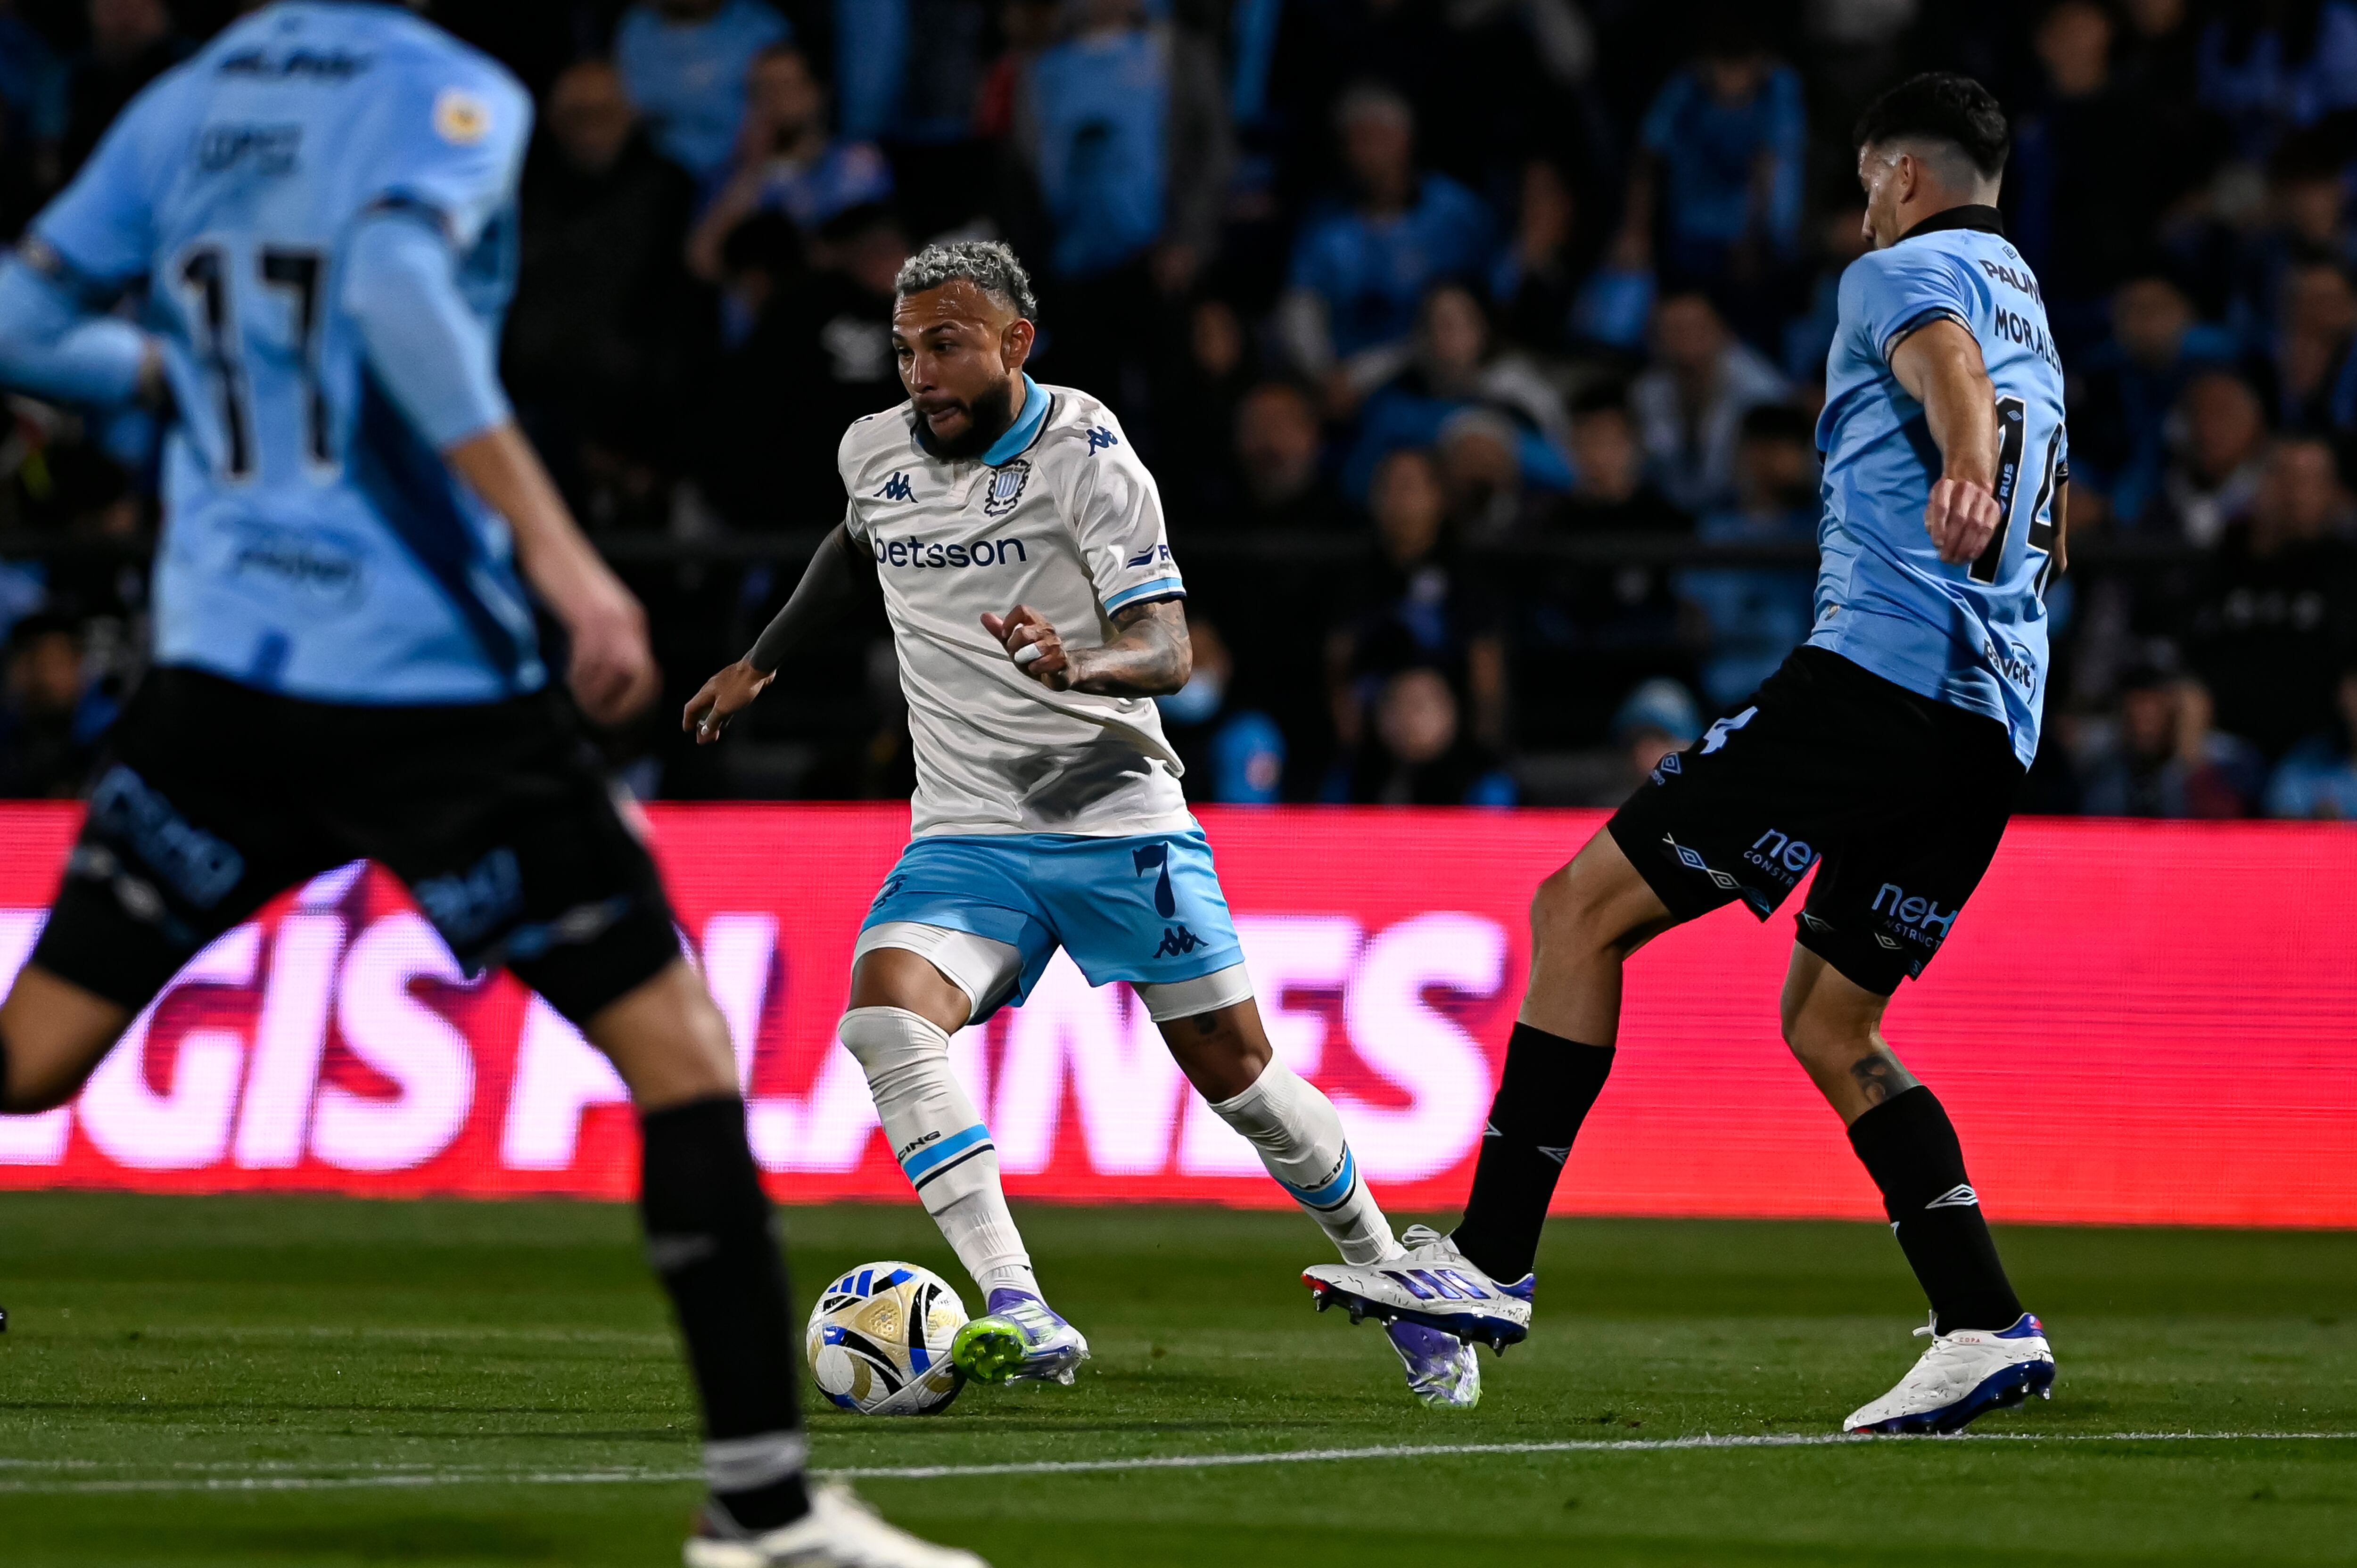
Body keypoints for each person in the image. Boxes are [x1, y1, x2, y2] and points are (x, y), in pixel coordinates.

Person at [0, 8, 971, 1566]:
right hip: (422, 687)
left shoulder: (187, 103)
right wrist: (563, 555)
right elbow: (389, 286)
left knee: (34, 1054)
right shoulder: (440, 90)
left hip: (225, 679)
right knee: (678, 1048)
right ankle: (762, 1514)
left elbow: (19, 320)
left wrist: (187, 375)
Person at [1303, 74, 2067, 1438]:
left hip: (1873, 688)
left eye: (1863, 182)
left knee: (1577, 909)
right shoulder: (2038, 319)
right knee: (1834, 1022)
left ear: (1895, 174)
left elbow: (1944, 360)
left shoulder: (1904, 271)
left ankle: (1488, 1257)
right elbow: (1994, 395)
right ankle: (1981, 1321)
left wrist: (1960, 463)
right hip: (1989, 726)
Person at [680, 241, 1476, 1410]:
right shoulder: (876, 451)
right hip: (964, 828)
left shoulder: (1087, 454)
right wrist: (762, 661)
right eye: (905, 351)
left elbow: (1170, 648)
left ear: (1016, 343)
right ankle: (1016, 1299)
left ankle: (1393, 1271)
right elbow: (855, 546)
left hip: (1112, 814)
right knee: (884, 1020)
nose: (921, 375)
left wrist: (1080, 661)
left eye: (946, 346)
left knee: (1239, 1075)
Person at [684, 43, 893, 282]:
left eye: (785, 86)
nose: (773, 99)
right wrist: (752, 171)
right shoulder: (730, 177)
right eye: (760, 90)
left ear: (817, 92)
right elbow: (703, 262)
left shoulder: (858, 164)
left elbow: (880, 255)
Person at [613, 0, 791, 186]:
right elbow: (630, 109)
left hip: (747, 168)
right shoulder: (638, 27)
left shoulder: (759, 25)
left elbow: (787, 104)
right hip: (655, 173)